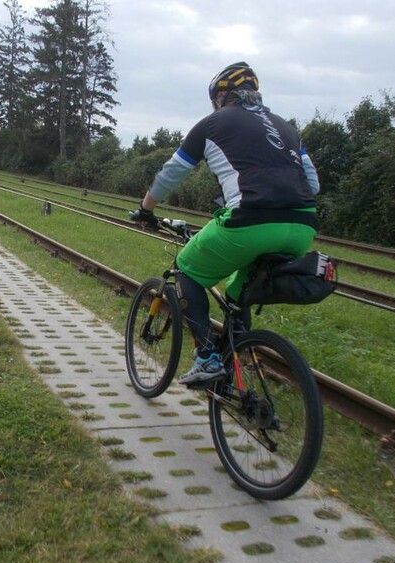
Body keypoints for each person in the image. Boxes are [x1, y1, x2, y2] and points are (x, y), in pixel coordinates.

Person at [130, 62, 320, 385]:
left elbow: (171, 173)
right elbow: (312, 184)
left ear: (221, 97)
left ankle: (206, 357)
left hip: (250, 221)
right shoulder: (286, 128)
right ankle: (236, 361)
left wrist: (146, 209)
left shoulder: (212, 124)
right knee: (237, 290)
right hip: (303, 227)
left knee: (187, 267)